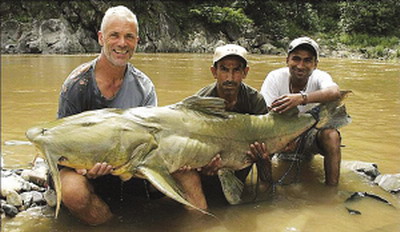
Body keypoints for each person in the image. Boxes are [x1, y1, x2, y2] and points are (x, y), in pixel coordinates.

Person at [57, 6, 157, 225]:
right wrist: (83, 167)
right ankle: (110, 225)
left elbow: (150, 142)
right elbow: (61, 146)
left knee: (180, 172)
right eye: (115, 35)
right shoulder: (76, 85)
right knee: (73, 192)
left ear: (136, 42)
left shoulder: (144, 87)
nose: (122, 43)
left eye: (129, 37)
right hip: (82, 167)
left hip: (129, 167)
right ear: (101, 38)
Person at [173, 44, 273, 209]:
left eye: (236, 71)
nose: (230, 78)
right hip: (210, 163)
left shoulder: (255, 101)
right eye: (224, 70)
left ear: (245, 72)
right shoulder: (200, 101)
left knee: (266, 166)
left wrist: (264, 157)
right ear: (214, 72)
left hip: (242, 160)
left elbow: (269, 138)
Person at [260, 36, 342, 186]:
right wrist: (285, 139)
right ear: (287, 60)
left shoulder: (320, 77)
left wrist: (302, 98)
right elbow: (265, 115)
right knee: (260, 141)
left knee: (332, 136)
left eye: (307, 60)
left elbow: (335, 92)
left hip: (310, 133)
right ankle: (265, 188)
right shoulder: (275, 77)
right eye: (296, 59)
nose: (300, 65)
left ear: (315, 64)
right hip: (280, 132)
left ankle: (332, 191)